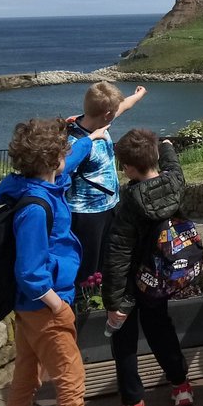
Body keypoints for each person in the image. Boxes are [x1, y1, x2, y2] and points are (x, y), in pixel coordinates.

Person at [0, 117, 128, 406]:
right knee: (71, 381)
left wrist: (92, 137)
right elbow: (31, 272)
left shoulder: (39, 184)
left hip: (27, 311)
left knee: (24, 380)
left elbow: (69, 162)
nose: (67, 157)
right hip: (46, 308)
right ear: (53, 159)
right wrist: (58, 306)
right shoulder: (35, 209)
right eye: (64, 153)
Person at [102, 129, 193, 406]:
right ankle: (181, 385)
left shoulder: (128, 204)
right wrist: (166, 144)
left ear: (127, 168)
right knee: (160, 328)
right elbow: (173, 164)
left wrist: (115, 301)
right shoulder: (174, 184)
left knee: (124, 341)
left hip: (132, 281)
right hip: (161, 276)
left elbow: (117, 254)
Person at [66, 81, 147, 280]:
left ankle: (102, 297)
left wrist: (138, 95)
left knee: (108, 261)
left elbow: (123, 106)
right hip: (86, 214)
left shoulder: (100, 121)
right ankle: (84, 304)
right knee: (88, 267)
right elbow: (62, 170)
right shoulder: (74, 142)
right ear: (106, 114)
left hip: (109, 206)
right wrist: (89, 140)